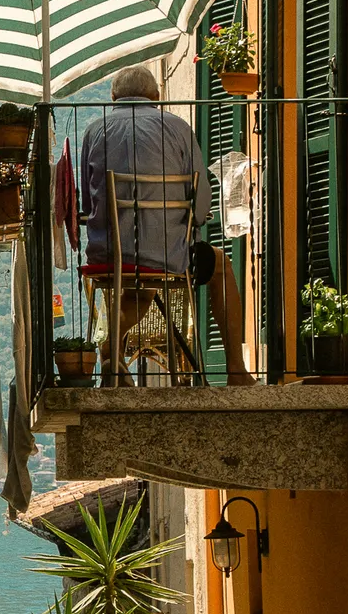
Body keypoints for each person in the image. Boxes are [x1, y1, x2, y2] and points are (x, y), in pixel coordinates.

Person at [78, 63, 251, 384]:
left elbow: (88, 205)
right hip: (168, 256)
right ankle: (237, 370)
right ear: (156, 96)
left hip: (109, 256)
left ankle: (111, 351)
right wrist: (189, 223)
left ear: (113, 97)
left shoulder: (94, 130)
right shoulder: (178, 128)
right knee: (220, 266)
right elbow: (201, 199)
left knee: (140, 284)